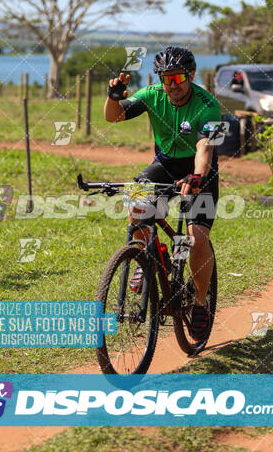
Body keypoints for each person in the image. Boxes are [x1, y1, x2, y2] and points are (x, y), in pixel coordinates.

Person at [104, 46, 221, 343]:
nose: (173, 85)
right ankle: (145, 259)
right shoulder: (152, 95)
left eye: (179, 77)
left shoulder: (209, 105)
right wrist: (113, 97)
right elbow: (113, 118)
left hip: (200, 169)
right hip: (165, 165)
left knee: (195, 235)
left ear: (191, 75)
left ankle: (198, 304)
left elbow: (205, 146)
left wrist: (197, 177)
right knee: (138, 204)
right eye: (166, 78)